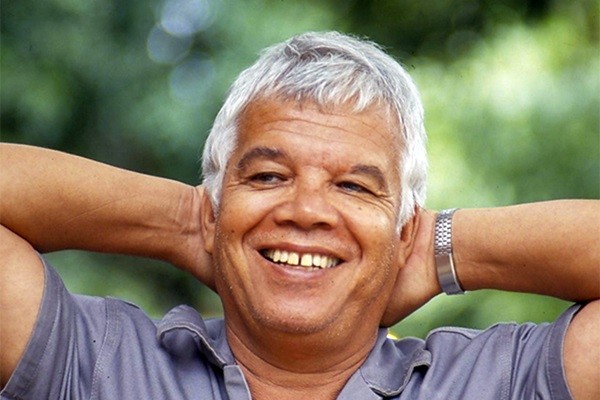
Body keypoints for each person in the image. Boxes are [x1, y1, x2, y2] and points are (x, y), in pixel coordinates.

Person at [0, 31, 598, 400]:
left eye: (354, 187)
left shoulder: (496, 383)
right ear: (216, 207)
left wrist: (437, 249)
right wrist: (189, 220)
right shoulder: (94, 363)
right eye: (267, 177)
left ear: (404, 230)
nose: (307, 211)